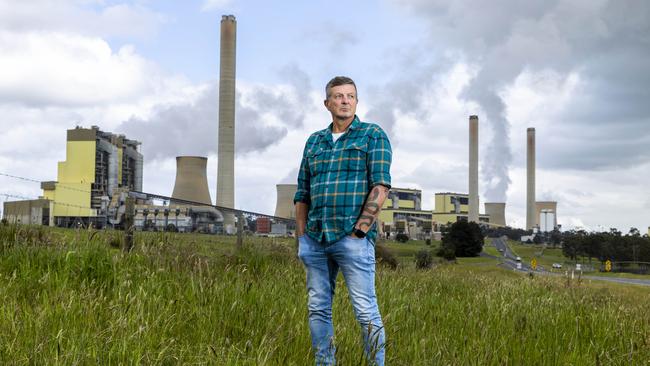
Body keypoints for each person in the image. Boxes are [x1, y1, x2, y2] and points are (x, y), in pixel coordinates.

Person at [294, 76, 392, 365]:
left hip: (351, 240)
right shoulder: (315, 141)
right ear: (327, 103)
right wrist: (302, 236)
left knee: (365, 310)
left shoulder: (372, 135)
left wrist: (359, 232)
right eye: (338, 96)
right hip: (315, 239)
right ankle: (324, 362)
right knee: (318, 309)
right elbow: (302, 192)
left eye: (350, 96)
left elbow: (380, 186)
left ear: (357, 101)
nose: (345, 101)